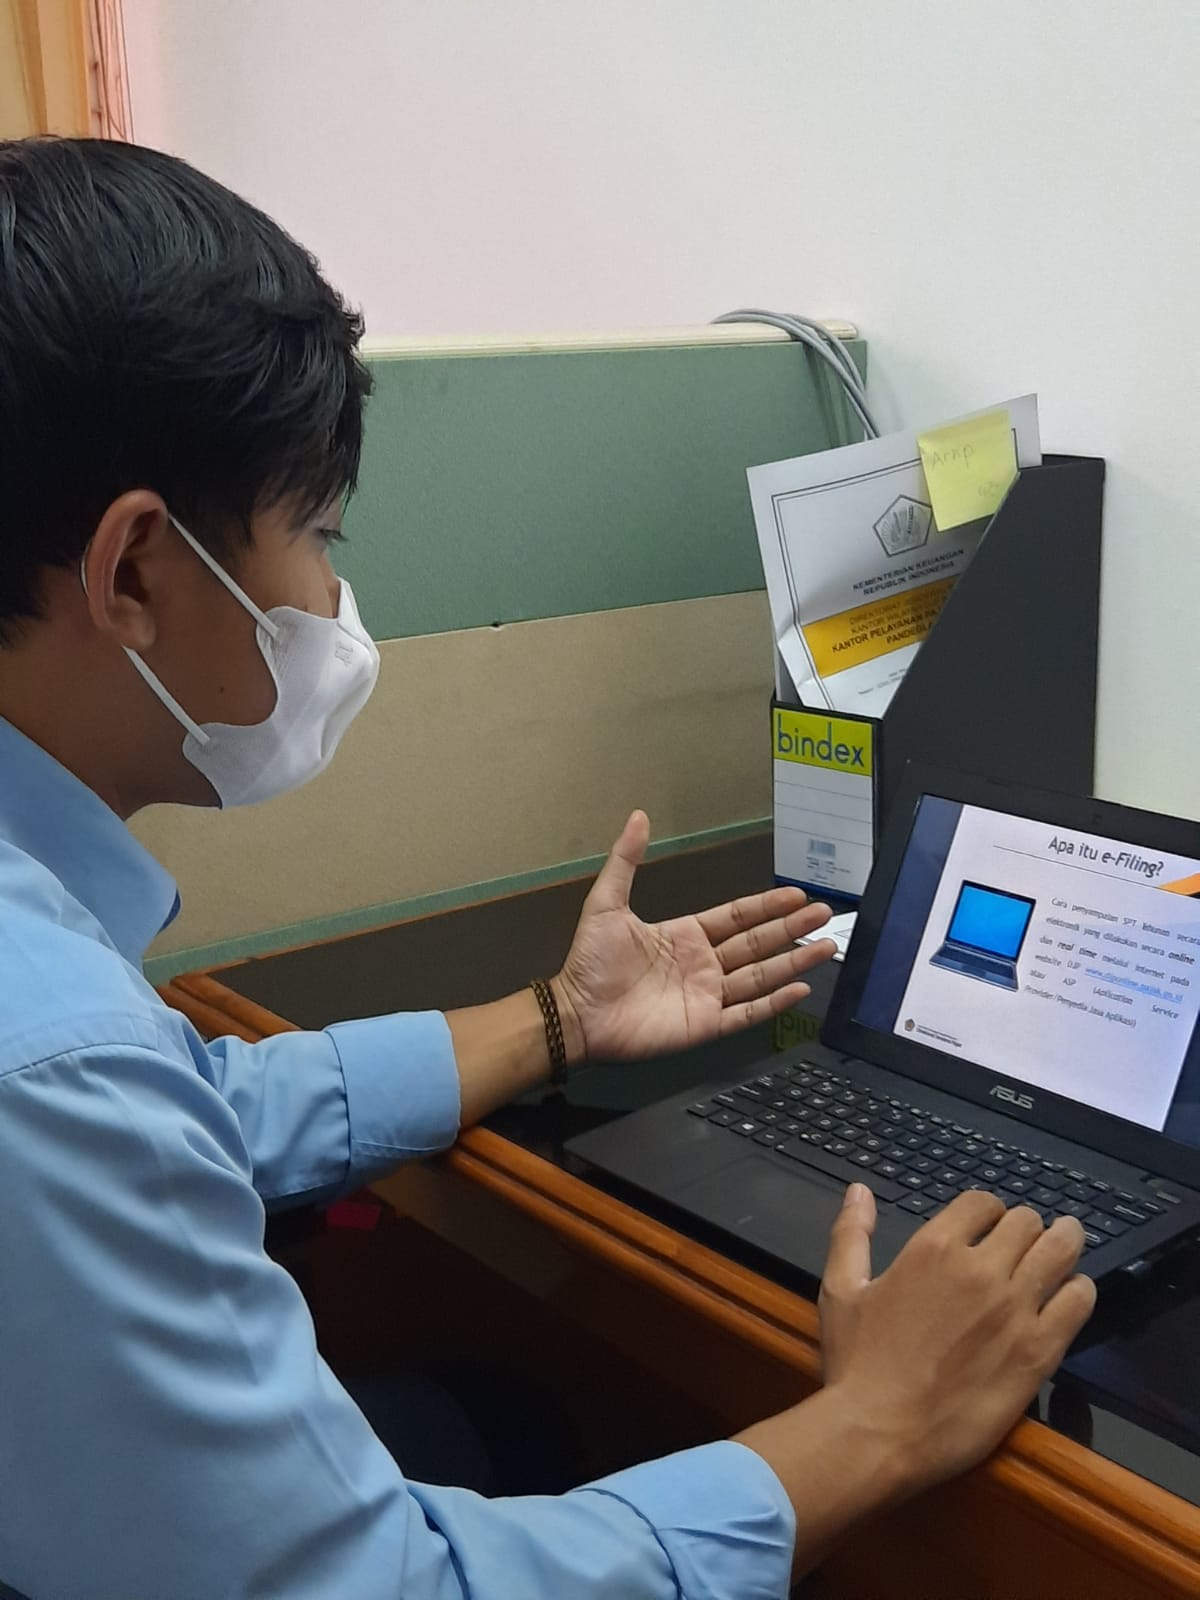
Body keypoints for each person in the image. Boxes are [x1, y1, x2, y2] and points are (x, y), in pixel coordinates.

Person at [0, 136, 1096, 1600]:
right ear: (134, 569)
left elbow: (186, 1109)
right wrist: (878, 1422)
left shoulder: (62, 1032)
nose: (333, 596)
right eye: (316, 533)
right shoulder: (49, 1061)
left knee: (492, 1415)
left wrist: (561, 1019)